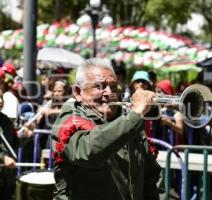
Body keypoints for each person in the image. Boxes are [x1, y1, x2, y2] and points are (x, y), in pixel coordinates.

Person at [52, 58, 160, 200]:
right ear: (78, 92)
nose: (109, 93)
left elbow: (150, 177)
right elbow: (90, 152)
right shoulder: (70, 121)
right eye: (99, 86)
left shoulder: (128, 119)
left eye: (114, 86)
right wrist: (136, 114)